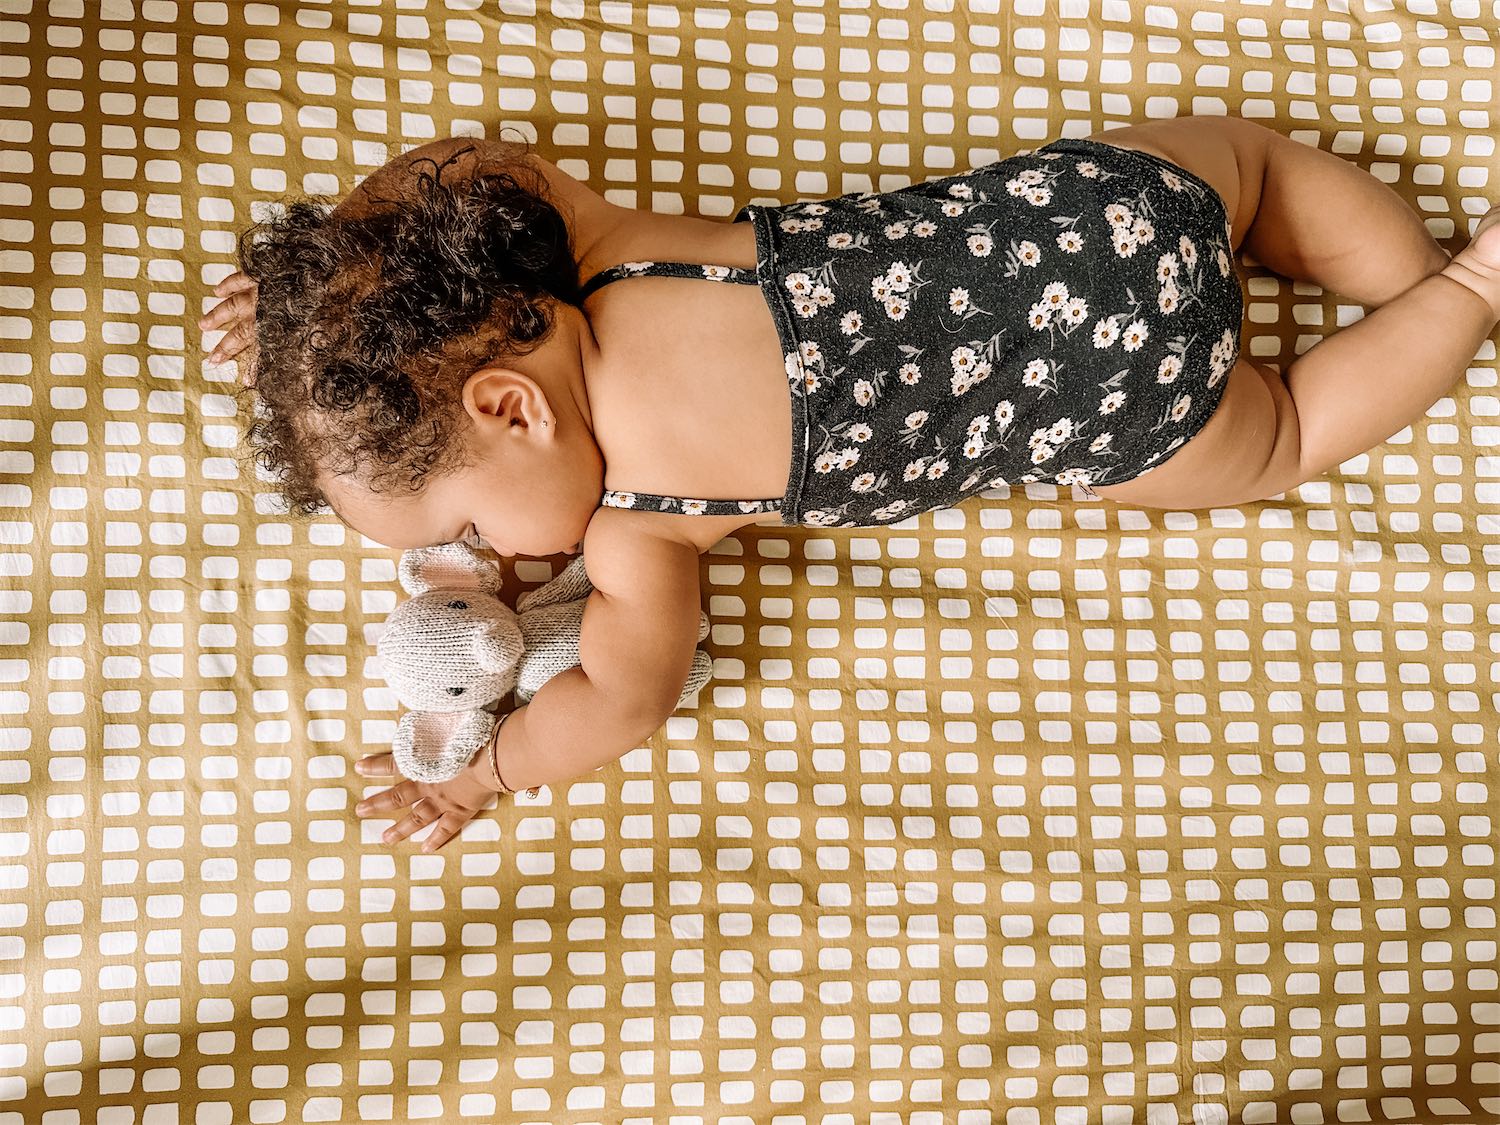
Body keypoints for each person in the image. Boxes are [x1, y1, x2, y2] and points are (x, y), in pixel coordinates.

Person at [199, 116, 1500, 852]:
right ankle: (1412, 262)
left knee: (1281, 432)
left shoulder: (645, 521)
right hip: (1102, 210)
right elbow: (454, 174)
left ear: (510, 406)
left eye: (468, 523)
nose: (485, 558)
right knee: (1256, 172)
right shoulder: (579, 237)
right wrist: (321, 291)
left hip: (1125, 408)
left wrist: (485, 775)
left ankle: (1467, 294)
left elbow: (624, 696)